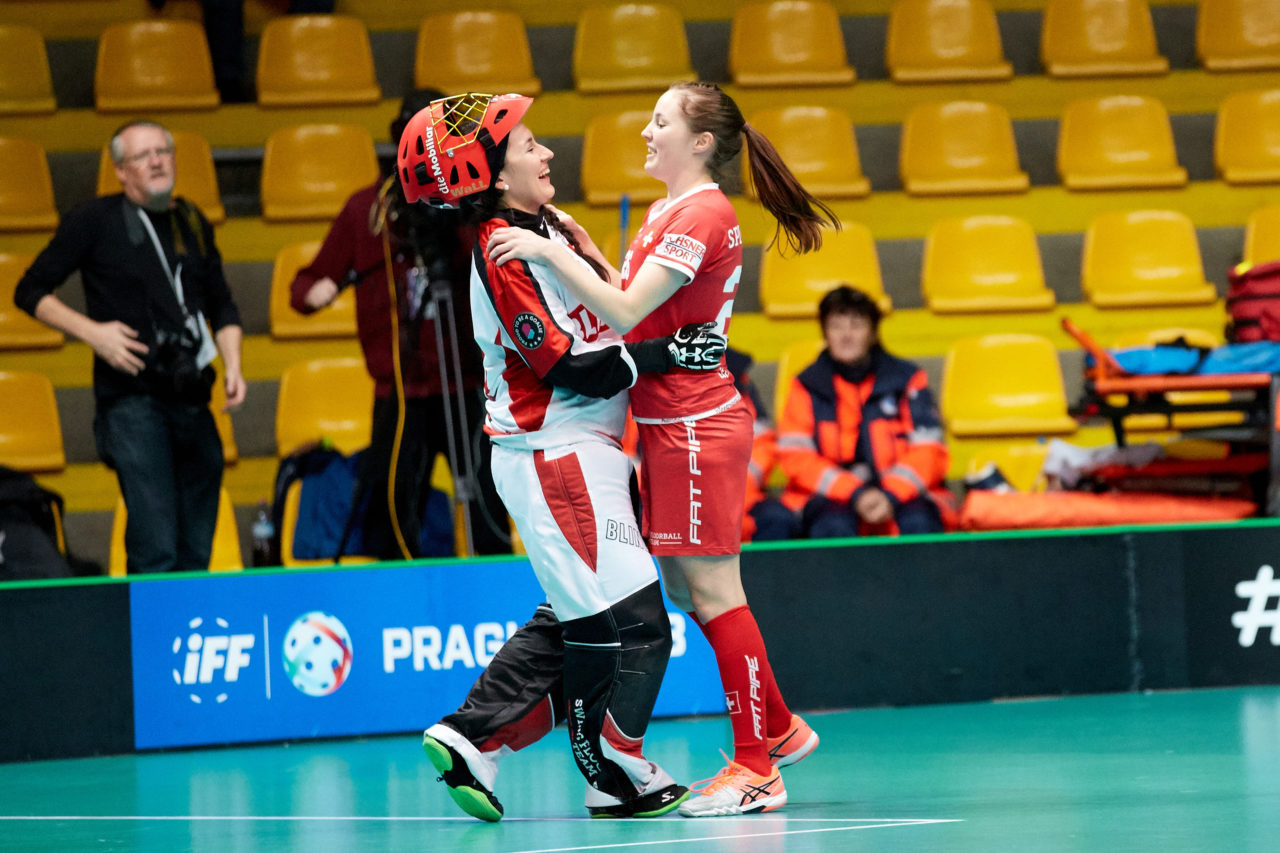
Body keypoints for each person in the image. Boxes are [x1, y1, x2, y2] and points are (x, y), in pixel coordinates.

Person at [486, 81, 835, 816]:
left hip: (695, 427)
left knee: (714, 592)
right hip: (671, 427)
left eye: (660, 121)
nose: (646, 131)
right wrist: (583, 251)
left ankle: (756, 766)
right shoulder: (670, 211)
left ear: (700, 142)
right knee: (684, 589)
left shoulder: (704, 211)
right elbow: (638, 303)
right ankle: (777, 726)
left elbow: (622, 310)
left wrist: (547, 252)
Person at [397, 92, 730, 818]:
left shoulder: (547, 226)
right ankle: (614, 770)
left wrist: (657, 336)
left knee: (581, 621)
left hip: (588, 453)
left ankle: (472, 736)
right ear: (486, 171)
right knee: (638, 625)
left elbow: (614, 316)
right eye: (528, 146)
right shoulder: (500, 248)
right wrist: (664, 355)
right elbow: (567, 367)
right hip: (556, 453)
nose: (546, 153)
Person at [14, 120, 245, 574]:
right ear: (121, 170)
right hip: (132, 401)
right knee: (156, 545)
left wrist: (233, 363)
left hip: (192, 397)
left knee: (196, 547)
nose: (157, 161)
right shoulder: (94, 220)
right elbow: (29, 290)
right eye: (143, 155)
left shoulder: (191, 220)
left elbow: (222, 303)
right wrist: (93, 333)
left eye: (164, 151)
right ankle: (151, 639)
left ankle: (187, 635)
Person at [290, 89, 510, 558]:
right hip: (401, 390)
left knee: (489, 504)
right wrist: (315, 290)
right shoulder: (367, 208)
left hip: (471, 384)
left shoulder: (474, 201)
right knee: (394, 509)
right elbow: (305, 285)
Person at [769, 285, 954, 539]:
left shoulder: (907, 379)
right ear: (825, 333)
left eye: (856, 325)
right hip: (829, 498)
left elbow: (930, 451)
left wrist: (891, 494)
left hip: (902, 493)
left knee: (919, 522)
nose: (846, 335)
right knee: (832, 526)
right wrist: (855, 493)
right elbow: (796, 457)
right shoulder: (806, 385)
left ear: (873, 333)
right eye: (836, 326)